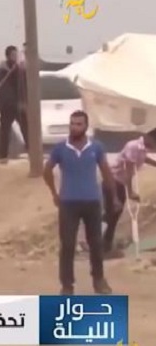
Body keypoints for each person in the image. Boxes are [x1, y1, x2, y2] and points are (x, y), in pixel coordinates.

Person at [43, 111, 116, 295]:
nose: (74, 127)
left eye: (78, 124)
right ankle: (67, 285)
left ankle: (99, 280)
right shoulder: (61, 148)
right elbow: (47, 170)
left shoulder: (96, 147)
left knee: (96, 243)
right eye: (72, 123)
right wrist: (54, 193)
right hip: (68, 203)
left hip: (92, 201)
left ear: (86, 126)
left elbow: (106, 172)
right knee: (67, 245)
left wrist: (113, 197)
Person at [104, 128, 156, 257]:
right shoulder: (133, 146)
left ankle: (102, 242)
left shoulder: (142, 149)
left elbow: (143, 158)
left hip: (119, 183)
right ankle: (101, 245)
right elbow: (128, 170)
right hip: (114, 182)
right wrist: (131, 192)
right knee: (112, 213)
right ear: (149, 138)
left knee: (113, 214)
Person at [0, 45, 29, 163]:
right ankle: (3, 156)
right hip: (7, 106)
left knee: (26, 129)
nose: (15, 57)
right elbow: (2, 89)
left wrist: (24, 102)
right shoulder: (3, 70)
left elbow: (24, 85)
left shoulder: (19, 69)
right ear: (8, 56)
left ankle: (32, 152)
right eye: (13, 55)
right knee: (5, 130)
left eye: (16, 54)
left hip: (19, 105)